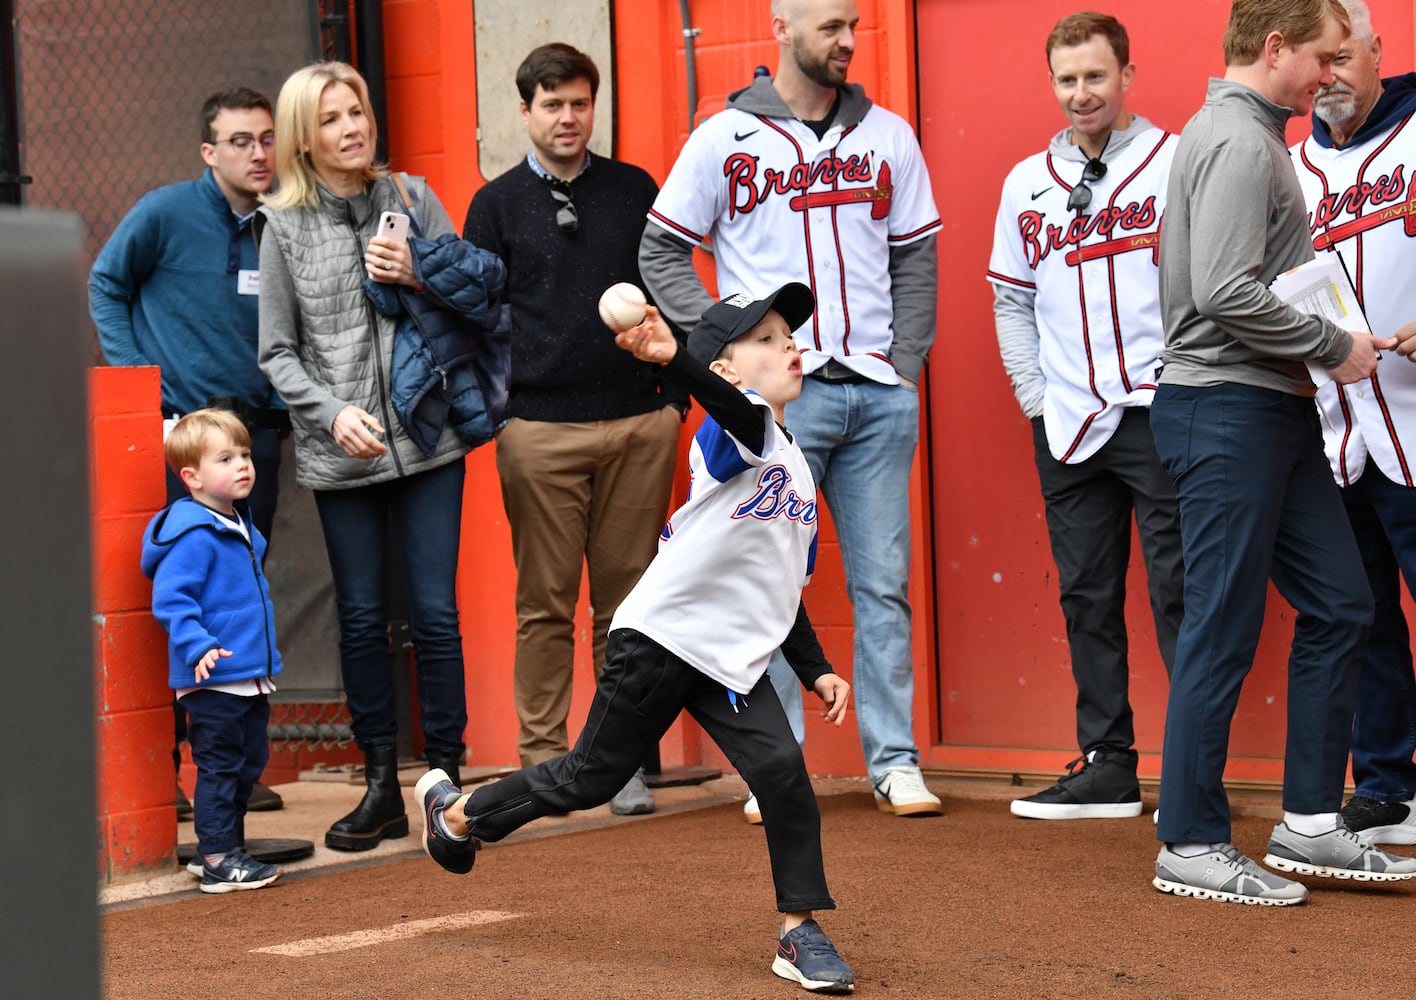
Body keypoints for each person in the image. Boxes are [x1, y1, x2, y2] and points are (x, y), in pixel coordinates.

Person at [415, 284, 856, 994]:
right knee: (588, 778)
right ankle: (458, 814)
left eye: (788, 334)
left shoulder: (795, 467)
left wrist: (816, 668)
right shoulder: (735, 436)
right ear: (726, 370)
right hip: (661, 640)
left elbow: (783, 590)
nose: (790, 346)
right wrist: (676, 359)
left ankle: (799, 931)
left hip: (729, 662)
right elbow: (731, 413)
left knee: (782, 774)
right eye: (767, 338)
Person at [640, 0, 943, 822]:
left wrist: (905, 360)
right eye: (831, 26)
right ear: (782, 27)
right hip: (777, 400)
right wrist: (717, 353)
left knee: (883, 585)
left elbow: (917, 255)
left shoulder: (889, 136)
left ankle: (895, 762)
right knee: (767, 581)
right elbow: (660, 245)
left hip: (876, 389)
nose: (848, 41)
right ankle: (781, 767)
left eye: (854, 26)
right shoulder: (722, 137)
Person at [1150, 0, 1416, 905]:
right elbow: (1223, 291)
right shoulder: (1233, 136)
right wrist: (1333, 344)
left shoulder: (1255, 134)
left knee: (1343, 604)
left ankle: (1309, 822)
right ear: (1275, 49)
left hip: (1273, 408)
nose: (1330, 74)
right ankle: (1187, 838)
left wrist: (1323, 347)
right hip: (1224, 408)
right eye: (1322, 57)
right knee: (1220, 626)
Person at [257, 62, 482, 851]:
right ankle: (382, 783)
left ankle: (449, 784)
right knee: (361, 618)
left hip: (429, 433)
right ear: (303, 138)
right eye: (332, 118)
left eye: (358, 111)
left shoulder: (415, 199)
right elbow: (278, 353)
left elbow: (477, 296)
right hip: (341, 449)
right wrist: (331, 413)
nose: (353, 127)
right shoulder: (281, 225)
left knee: (435, 611)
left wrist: (420, 271)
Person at [462, 43, 686, 816]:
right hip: (538, 430)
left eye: (580, 103)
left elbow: (672, 292)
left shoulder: (634, 190)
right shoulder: (493, 206)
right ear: (524, 112)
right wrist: (503, 417)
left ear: (596, 107)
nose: (568, 117)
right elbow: (477, 322)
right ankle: (543, 766)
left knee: (629, 606)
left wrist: (672, 403)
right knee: (544, 604)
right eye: (551, 103)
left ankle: (616, 761)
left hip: (639, 423)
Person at [988, 12, 1183, 821]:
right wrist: (1036, 401)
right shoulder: (1024, 182)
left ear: (1127, 74)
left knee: (1183, 593)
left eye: (1095, 76)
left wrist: (1186, 386)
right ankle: (1108, 764)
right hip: (1067, 422)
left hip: (1158, 409)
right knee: (1087, 596)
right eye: (1066, 80)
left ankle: (1195, 763)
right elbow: (1011, 300)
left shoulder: (1176, 162)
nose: (1080, 93)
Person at [90, 87, 287, 818]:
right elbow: (106, 284)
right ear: (209, 152)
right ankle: (169, 774)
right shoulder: (164, 212)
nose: (257, 153)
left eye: (266, 138)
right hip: (185, 441)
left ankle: (231, 772)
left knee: (239, 596)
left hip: (256, 435)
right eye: (239, 141)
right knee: (184, 598)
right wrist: (148, 392)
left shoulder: (285, 220)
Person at [1291, 0, 1416, 846]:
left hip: (1415, 417)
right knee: (1364, 613)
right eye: (1317, 60)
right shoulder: (1285, 166)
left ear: (1377, 50)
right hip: (1337, 434)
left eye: (1344, 55)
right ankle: (1387, 785)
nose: (1330, 75)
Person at [140, 409, 283, 893]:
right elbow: (172, 599)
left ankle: (220, 848)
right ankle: (221, 856)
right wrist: (199, 644)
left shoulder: (236, 523)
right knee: (221, 765)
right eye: (226, 458)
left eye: (244, 454)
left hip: (247, 672)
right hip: (214, 675)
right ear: (192, 477)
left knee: (249, 760)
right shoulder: (194, 533)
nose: (243, 464)